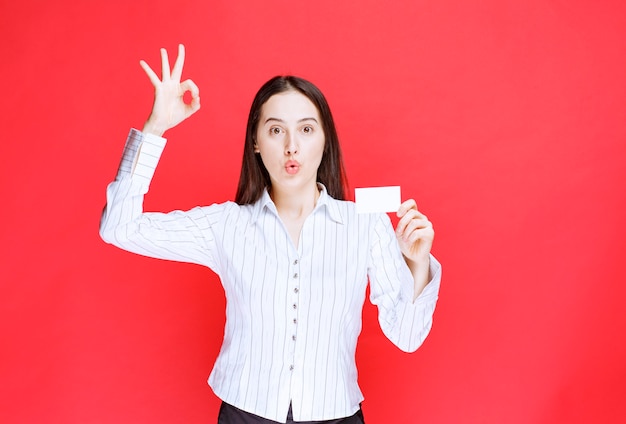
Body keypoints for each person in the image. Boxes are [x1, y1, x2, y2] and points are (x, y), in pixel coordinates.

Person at [100, 44, 441, 424]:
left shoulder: (366, 224)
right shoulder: (227, 225)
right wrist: (155, 128)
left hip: (337, 415)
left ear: (324, 139)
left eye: (306, 130)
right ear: (257, 143)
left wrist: (417, 262)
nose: (292, 146)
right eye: (276, 130)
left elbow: (407, 337)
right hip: (245, 413)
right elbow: (120, 227)